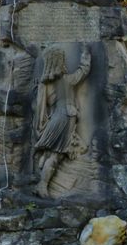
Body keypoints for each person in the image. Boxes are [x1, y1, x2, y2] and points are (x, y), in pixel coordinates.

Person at [34, 46, 91, 197]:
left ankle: (42, 178)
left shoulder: (44, 85)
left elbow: (40, 109)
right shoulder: (66, 80)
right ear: (59, 62)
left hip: (54, 119)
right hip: (66, 117)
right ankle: (42, 185)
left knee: (51, 153)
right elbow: (83, 71)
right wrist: (86, 53)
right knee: (55, 155)